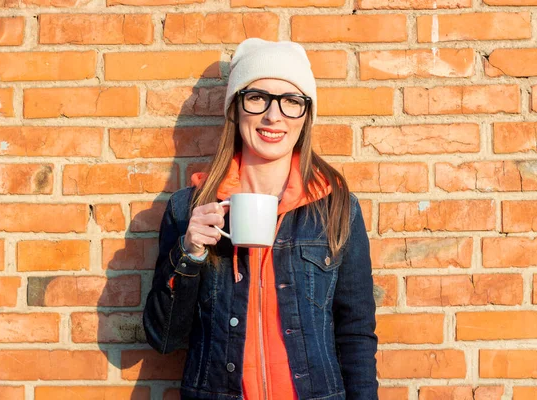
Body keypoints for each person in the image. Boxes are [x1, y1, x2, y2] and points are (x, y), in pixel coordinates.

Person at [143, 38, 378, 400]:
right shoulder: (187, 209)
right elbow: (165, 339)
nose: (273, 115)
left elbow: (356, 333)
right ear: (236, 110)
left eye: (291, 102)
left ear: (306, 115)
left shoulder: (337, 208)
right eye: (257, 98)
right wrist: (189, 255)